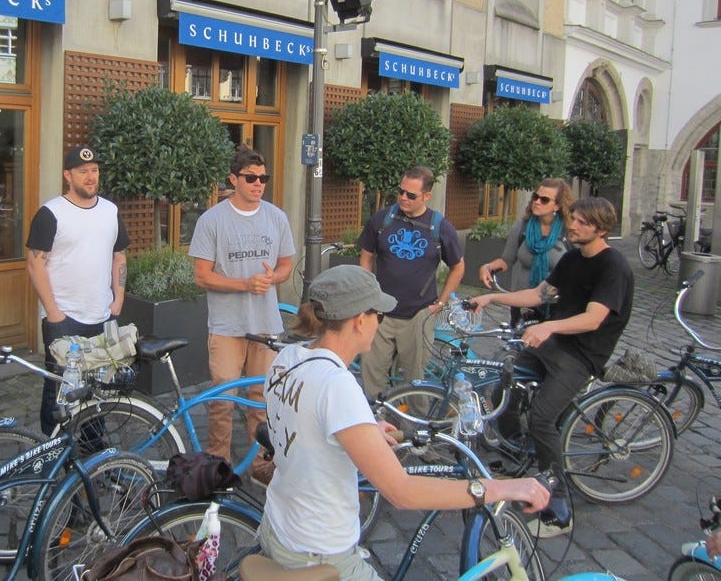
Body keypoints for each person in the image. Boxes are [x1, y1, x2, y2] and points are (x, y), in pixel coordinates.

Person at [260, 265, 549, 580]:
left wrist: (363, 429)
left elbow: (305, 420)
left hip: (278, 525)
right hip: (317, 551)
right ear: (359, 321)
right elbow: (402, 492)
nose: (380, 323)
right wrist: (502, 488)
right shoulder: (336, 385)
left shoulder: (288, 358)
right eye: (379, 316)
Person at [471, 196, 634, 537]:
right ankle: (519, 455)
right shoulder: (572, 258)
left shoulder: (613, 266)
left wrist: (548, 326)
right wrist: (491, 297)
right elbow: (538, 294)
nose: (573, 225)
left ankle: (558, 507)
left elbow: (593, 319)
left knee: (542, 418)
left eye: (583, 222)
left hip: (582, 354)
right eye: (573, 218)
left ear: (602, 229)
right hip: (555, 344)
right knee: (505, 386)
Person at [188, 145, 295, 484]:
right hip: (226, 326)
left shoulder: (276, 217)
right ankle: (218, 467)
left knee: (262, 399)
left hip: (265, 325)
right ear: (233, 179)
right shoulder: (212, 220)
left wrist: (272, 278)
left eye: (263, 178)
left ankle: (260, 466)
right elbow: (202, 276)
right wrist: (244, 285)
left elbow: (286, 265)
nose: (258, 184)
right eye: (251, 178)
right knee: (223, 399)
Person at [26, 145, 129, 435]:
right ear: (68, 176)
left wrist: (118, 300)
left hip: (103, 314)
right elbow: (35, 264)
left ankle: (93, 447)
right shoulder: (51, 213)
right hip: (64, 317)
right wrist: (54, 312)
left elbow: (119, 256)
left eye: (94, 170)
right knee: (59, 389)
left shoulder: (110, 211)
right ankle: (53, 446)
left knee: (99, 386)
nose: (90, 176)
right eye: (83, 171)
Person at [357, 165, 465, 400]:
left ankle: (414, 421)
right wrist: (368, 292)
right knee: (372, 375)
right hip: (380, 313)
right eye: (401, 191)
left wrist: (440, 303)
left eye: (411, 195)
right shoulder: (383, 219)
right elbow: (366, 255)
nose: (403, 197)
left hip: (418, 314)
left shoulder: (440, 227)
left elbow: (458, 267)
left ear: (427, 196)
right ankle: (378, 418)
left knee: (415, 381)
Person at [479, 178, 575, 322]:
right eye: (535, 197)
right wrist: (488, 267)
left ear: (557, 206)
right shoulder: (522, 227)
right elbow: (506, 260)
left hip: (556, 304)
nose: (537, 202)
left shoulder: (569, 231)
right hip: (522, 302)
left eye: (544, 200)